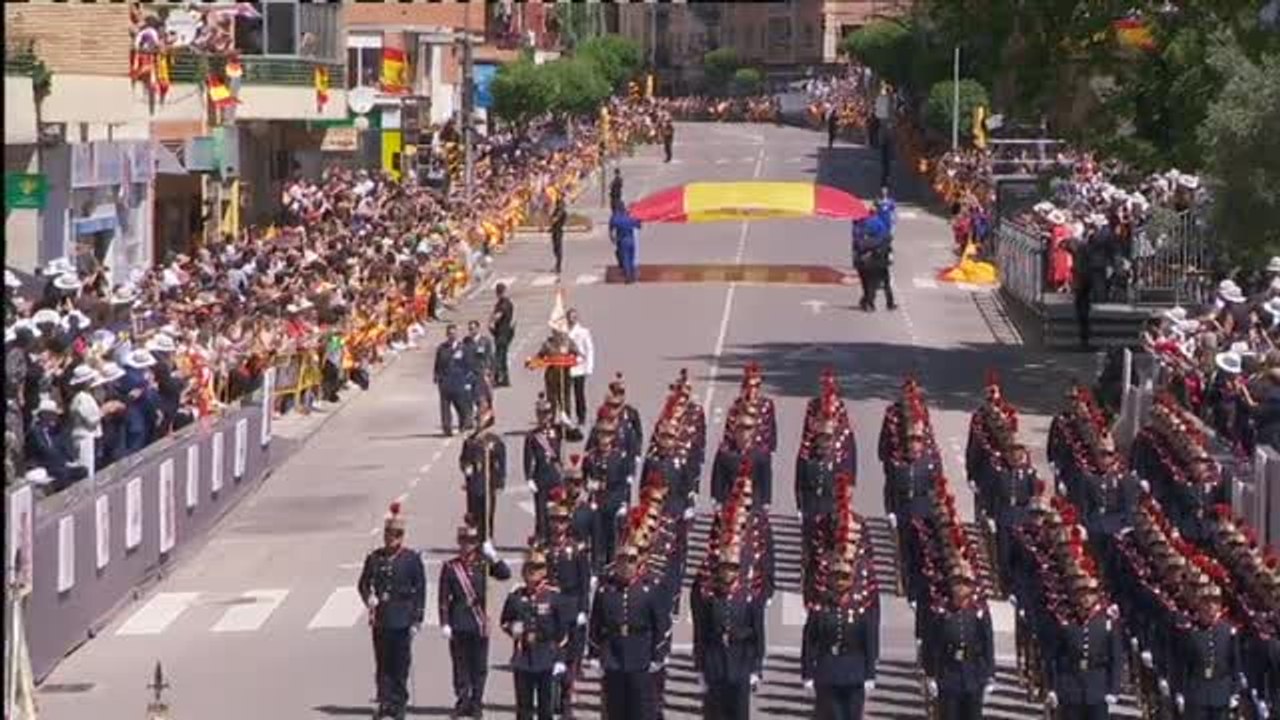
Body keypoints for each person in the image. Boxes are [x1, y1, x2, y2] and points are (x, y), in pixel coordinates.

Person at [358, 502, 427, 720]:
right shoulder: (375, 558)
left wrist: (417, 618)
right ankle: (384, 700)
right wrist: (368, 597)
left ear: (402, 536)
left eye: (396, 535)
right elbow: (363, 583)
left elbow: (420, 589)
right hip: (382, 618)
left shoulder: (411, 559)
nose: (391, 539)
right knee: (382, 663)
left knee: (400, 663)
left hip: (402, 617)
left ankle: (399, 703)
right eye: (389, 534)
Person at [589, 544, 672, 720]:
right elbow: (595, 624)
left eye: (632, 560)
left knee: (641, 709)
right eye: (622, 560)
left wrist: (658, 655)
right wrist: (595, 654)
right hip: (613, 656)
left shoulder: (649, 589)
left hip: (641, 656)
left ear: (638, 563)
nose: (627, 565)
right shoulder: (605, 590)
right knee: (615, 709)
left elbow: (661, 624)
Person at [438, 525, 511, 719]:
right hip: (459, 621)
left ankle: (477, 702)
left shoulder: (484, 565)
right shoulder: (450, 567)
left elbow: (505, 574)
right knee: (460, 665)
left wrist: (494, 556)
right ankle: (463, 700)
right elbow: (444, 598)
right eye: (463, 541)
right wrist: (444, 622)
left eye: (471, 542)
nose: (467, 545)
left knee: (479, 666)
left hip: (480, 621)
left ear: (476, 543)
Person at [801, 556, 880, 720]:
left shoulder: (861, 609)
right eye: (836, 577)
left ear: (851, 580)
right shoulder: (820, 608)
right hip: (827, 673)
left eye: (844, 577)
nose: (840, 582)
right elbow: (810, 642)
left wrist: (870, 674)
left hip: (854, 674)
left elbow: (869, 643)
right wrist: (807, 673)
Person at [691, 548, 766, 720]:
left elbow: (758, 634)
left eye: (732, 568)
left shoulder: (748, 596)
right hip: (715, 661)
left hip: (740, 661)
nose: (728, 572)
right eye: (724, 568)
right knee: (714, 713)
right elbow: (701, 633)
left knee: (739, 713)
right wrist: (700, 667)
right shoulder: (709, 598)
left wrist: (756, 667)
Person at [501, 548, 570, 720]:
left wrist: (560, 659)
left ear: (544, 571)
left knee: (545, 708)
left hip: (545, 656)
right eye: (529, 567)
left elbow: (563, 633)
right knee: (523, 708)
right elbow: (504, 620)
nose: (532, 571)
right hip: (523, 656)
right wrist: (514, 629)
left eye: (537, 567)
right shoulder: (516, 595)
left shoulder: (553, 596)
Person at [460, 406, 506, 539]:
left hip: (488, 483)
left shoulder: (494, 441)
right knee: (473, 514)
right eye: (476, 420)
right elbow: (463, 459)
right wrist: (465, 467)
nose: (477, 423)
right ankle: (474, 540)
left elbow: (501, 463)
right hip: (474, 483)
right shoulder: (470, 441)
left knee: (487, 514)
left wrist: (500, 482)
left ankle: (487, 539)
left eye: (479, 420)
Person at [435, 323, 473, 436]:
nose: (452, 335)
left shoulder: (463, 348)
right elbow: (437, 364)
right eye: (449, 334)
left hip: (459, 381)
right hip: (445, 381)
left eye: (453, 333)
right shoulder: (442, 348)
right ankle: (447, 428)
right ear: (447, 335)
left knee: (460, 405)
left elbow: (468, 365)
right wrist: (437, 376)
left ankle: (463, 423)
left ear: (457, 334)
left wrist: (468, 381)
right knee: (445, 406)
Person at [566, 309, 594, 429]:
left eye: (574, 317)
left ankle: (581, 416)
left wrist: (589, 367)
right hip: (566, 366)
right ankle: (566, 417)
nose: (571, 319)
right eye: (570, 317)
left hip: (579, 367)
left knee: (579, 393)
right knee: (566, 394)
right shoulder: (563, 331)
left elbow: (589, 349)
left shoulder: (583, 332)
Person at [464, 320, 495, 414]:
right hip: (470, 372)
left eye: (473, 328)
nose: (471, 331)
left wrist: (490, 371)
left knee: (485, 393)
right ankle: (475, 413)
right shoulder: (466, 341)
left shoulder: (485, 341)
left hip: (482, 371)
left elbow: (490, 356)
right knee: (470, 394)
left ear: (478, 328)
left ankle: (487, 412)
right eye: (470, 329)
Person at [489, 283, 515, 388]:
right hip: (503, 332)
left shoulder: (504, 303)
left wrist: (490, 321)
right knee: (503, 356)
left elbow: (498, 316)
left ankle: (496, 378)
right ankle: (505, 379)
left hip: (502, 333)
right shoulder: (503, 302)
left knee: (498, 356)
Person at [610, 207, 642, 284]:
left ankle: (628, 277)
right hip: (631, 240)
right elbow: (638, 226)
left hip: (623, 240)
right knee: (631, 258)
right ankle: (632, 275)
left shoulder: (617, 220)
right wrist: (638, 220)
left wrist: (612, 237)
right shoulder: (630, 219)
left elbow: (612, 225)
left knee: (626, 258)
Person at [549, 196, 567, 275]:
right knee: (555, 249)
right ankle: (557, 265)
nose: (558, 205)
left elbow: (555, 219)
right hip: (554, 231)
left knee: (558, 249)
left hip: (558, 231)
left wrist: (553, 219)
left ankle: (558, 266)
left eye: (559, 204)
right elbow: (552, 218)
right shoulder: (556, 210)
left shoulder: (562, 212)